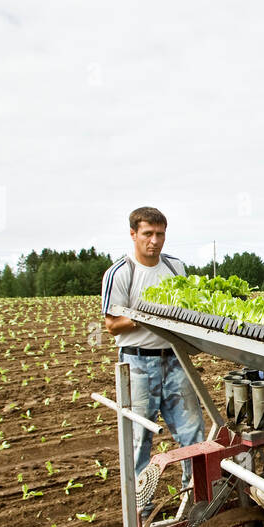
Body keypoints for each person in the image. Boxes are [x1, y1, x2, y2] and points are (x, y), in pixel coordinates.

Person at [101, 207, 206, 507]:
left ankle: (196, 503)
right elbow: (111, 325)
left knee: (193, 433)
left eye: (160, 234)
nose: (155, 241)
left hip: (174, 360)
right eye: (148, 234)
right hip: (137, 363)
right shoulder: (121, 273)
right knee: (139, 441)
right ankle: (140, 513)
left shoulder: (175, 268)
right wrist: (147, 317)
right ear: (133, 234)